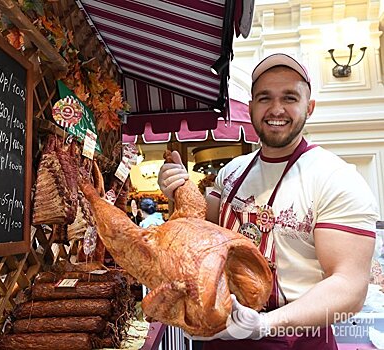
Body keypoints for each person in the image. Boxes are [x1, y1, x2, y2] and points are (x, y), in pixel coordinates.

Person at [157, 53, 379, 349]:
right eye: (265, 98)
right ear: (251, 108)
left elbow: (349, 287)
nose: (276, 109)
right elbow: (201, 234)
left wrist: (264, 325)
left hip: (296, 338)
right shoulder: (231, 173)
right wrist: (177, 190)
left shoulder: (335, 178)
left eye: (289, 97)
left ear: (309, 107)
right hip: (222, 335)